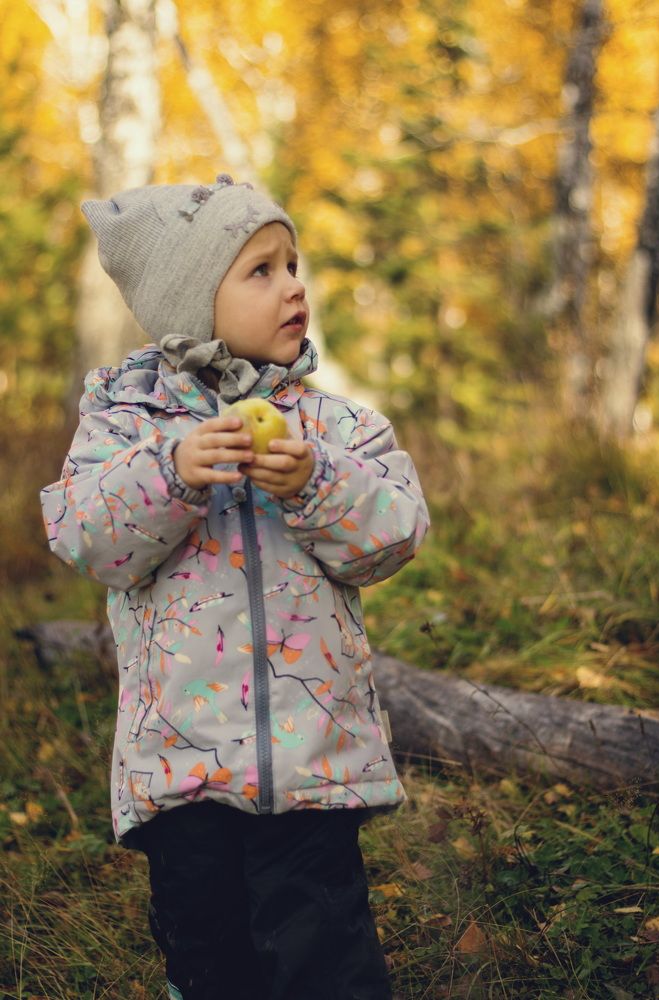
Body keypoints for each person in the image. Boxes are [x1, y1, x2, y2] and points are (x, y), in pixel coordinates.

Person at [40, 174, 430, 1000]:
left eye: (294, 265)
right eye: (262, 270)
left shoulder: (331, 425)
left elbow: (395, 533)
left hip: (313, 766)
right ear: (192, 302)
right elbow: (88, 539)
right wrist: (170, 475)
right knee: (214, 963)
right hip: (184, 772)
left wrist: (314, 482)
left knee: (327, 962)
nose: (294, 286)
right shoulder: (127, 422)